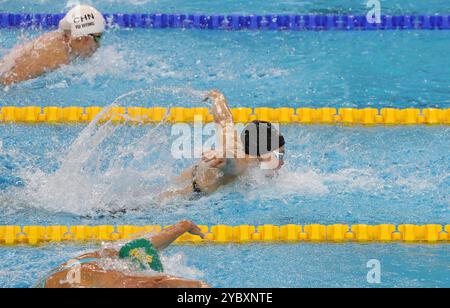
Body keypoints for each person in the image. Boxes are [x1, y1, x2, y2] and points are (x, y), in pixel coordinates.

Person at [165, 89, 286, 198]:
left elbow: (224, 119)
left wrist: (217, 97)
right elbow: (232, 160)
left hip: (189, 178)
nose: (282, 162)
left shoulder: (235, 142)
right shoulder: (242, 164)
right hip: (184, 196)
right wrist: (222, 156)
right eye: (279, 156)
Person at [38, 220, 210, 288]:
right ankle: (182, 227)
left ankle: (182, 226)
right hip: (83, 268)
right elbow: (149, 282)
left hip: (80, 266)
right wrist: (197, 285)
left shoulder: (112, 271)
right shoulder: (115, 277)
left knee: (122, 254)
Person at [0, 5, 105, 85]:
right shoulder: (56, 53)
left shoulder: (61, 41)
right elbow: (8, 81)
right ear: (83, 38)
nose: (98, 45)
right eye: (97, 38)